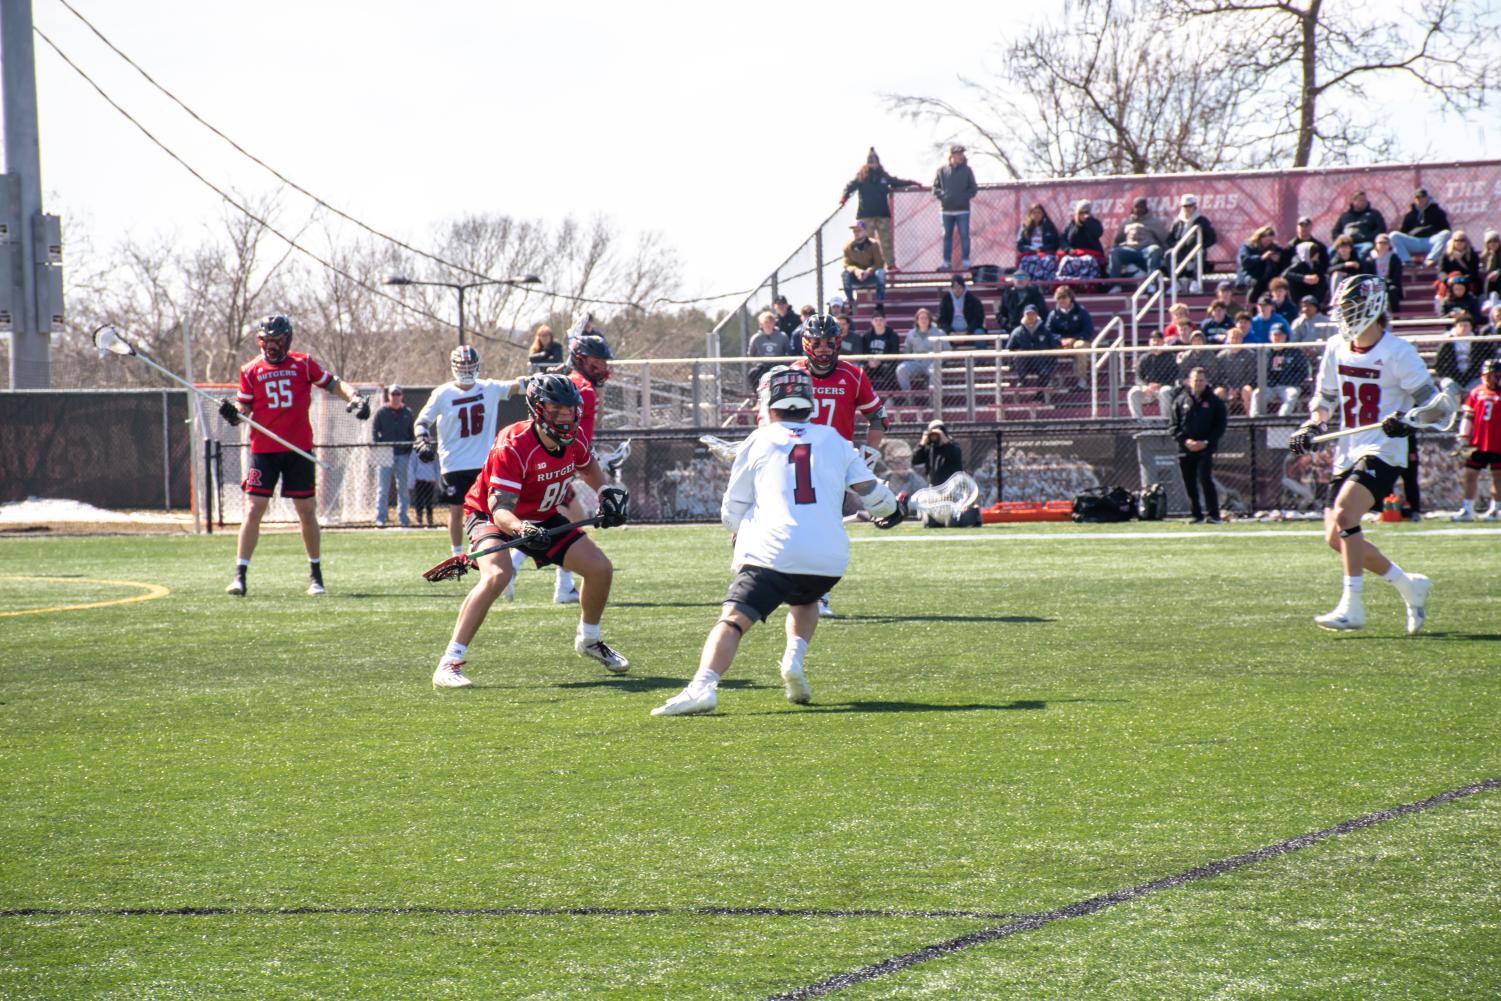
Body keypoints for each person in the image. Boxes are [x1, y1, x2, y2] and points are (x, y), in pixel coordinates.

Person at [651, 367, 902, 716]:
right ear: (810, 403)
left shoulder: (758, 440)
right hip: (828, 562)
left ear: (769, 403)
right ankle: (793, 660)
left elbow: (731, 509)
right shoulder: (835, 440)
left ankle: (702, 687)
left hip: (774, 554)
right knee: (806, 597)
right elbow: (875, 497)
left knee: (733, 621)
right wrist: (894, 508)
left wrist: (740, 541)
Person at [432, 374, 631, 689]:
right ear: (537, 409)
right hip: (490, 514)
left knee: (600, 569)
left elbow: (588, 466)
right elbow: (500, 510)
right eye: (556, 410)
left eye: (570, 410)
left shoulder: (574, 438)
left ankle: (589, 640)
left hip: (540, 515)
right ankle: (449, 663)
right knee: (497, 576)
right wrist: (521, 528)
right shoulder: (514, 444)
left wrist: (605, 492)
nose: (565, 417)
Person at [1288, 274, 1442, 633]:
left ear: (1372, 308)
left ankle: (1352, 607)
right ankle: (1408, 584)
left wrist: (1408, 420)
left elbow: (1435, 406)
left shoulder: (1398, 351)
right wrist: (1312, 425)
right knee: (1335, 536)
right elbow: (1324, 399)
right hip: (1349, 448)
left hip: (1384, 449)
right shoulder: (1336, 347)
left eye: (1350, 307)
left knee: (1345, 513)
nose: (1344, 315)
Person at [221, 314, 370, 597]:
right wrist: (233, 416)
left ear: (287, 340)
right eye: (267, 341)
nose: (271, 347)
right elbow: (243, 411)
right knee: (253, 508)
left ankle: (316, 576)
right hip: (263, 452)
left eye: (277, 341)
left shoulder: (303, 364)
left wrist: (355, 398)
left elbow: (333, 382)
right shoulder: (250, 370)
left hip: (298, 450)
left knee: (306, 511)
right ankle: (239, 575)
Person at [792, 314, 890, 618]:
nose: (823, 349)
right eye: (817, 343)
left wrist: (869, 453)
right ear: (806, 343)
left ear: (838, 343)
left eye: (829, 343)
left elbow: (878, 417)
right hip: (797, 462)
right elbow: (768, 418)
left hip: (835, 463)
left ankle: (818, 595)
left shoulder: (854, 375)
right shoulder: (791, 374)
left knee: (825, 530)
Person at [414, 345, 525, 561]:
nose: (466, 369)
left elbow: (519, 385)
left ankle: (495, 551)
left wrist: (544, 377)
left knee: (494, 509)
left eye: (470, 365)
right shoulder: (443, 393)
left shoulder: (489, 387)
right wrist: (422, 439)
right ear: (454, 366)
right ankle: (457, 554)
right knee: (456, 511)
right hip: (454, 462)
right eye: (462, 365)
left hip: (484, 462)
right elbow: (422, 421)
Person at [545, 329, 616, 604]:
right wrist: (594, 460)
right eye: (597, 361)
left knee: (573, 519)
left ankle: (563, 587)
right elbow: (576, 439)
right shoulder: (582, 389)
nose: (604, 367)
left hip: (554, 462)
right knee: (550, 522)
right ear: (581, 359)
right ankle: (508, 571)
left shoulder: (571, 383)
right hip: (554, 466)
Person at [1170, 366, 1226, 522]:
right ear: (1189, 381)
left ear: (1206, 381)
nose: (1198, 383)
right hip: (1185, 448)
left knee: (1204, 478)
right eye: (1196, 380)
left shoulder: (1214, 401)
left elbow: (1220, 426)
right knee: (1189, 482)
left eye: (1201, 380)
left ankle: (1213, 515)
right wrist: (1185, 441)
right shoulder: (1180, 400)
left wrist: (1206, 442)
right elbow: (1173, 426)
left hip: (1205, 449)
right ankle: (1196, 515)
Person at [839, 147, 918, 257]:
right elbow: (850, 186)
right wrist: (844, 198)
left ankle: (890, 264)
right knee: (866, 241)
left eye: (875, 162)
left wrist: (912, 182)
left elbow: (896, 182)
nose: (874, 165)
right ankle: (867, 264)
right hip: (866, 214)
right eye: (871, 162)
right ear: (867, 163)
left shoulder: (883, 176)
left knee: (886, 241)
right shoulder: (862, 176)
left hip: (882, 214)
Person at [1451, 358, 1501, 521]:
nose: (1492, 379)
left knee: (1498, 476)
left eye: (1495, 375)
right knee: (1470, 474)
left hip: (1497, 442)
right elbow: (1468, 416)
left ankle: (1496, 509)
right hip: (1478, 441)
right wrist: (1463, 436)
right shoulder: (1476, 392)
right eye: (1489, 375)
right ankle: (1467, 509)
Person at [372, 384, 415, 528]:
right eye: (393, 394)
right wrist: (380, 446)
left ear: (402, 396)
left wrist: (408, 448)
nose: (395, 397)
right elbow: (374, 431)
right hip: (385, 453)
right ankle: (381, 518)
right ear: (388, 396)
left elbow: (412, 433)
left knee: (402, 488)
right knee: (382, 488)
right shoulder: (381, 412)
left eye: (398, 394)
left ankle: (403, 518)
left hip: (403, 454)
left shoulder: (407, 412)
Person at [933, 144, 978, 271]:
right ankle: (946, 262)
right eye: (958, 154)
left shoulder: (967, 170)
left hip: (962, 209)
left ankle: (966, 262)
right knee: (947, 236)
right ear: (952, 155)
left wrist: (964, 197)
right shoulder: (942, 170)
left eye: (962, 154)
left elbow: (973, 188)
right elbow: (935, 188)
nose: (961, 156)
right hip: (946, 210)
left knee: (964, 235)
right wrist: (943, 196)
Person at [1108, 196, 1169, 287]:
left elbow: (1164, 239)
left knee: (1155, 249)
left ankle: (1151, 283)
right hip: (1131, 251)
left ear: (1146, 208)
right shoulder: (1126, 223)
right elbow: (1117, 241)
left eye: (1142, 207)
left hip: (1146, 250)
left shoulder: (1154, 222)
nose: (1139, 209)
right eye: (1137, 207)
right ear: (1133, 208)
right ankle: (1114, 285)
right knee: (1115, 252)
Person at [1252, 327, 1309, 417]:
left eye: (1280, 335)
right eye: (1275, 335)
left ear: (1285, 336)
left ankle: (1282, 418)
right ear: (1270, 337)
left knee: (1292, 394)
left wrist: (1291, 382)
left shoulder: (1294, 351)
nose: (1277, 337)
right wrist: (1269, 383)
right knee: (1257, 393)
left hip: (1288, 386)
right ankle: (1255, 420)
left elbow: (1303, 371)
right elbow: (1257, 372)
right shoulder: (1265, 352)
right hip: (1270, 387)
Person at [1387, 187, 1452, 266]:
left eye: (1422, 197)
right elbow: (1403, 232)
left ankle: (1430, 259)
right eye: (1418, 197)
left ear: (1427, 198)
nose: (1420, 199)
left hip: (1430, 241)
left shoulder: (1437, 212)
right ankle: (1407, 261)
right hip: (1414, 242)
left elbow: (1446, 229)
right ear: (1414, 199)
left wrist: (1431, 230)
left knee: (1446, 233)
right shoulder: (1410, 214)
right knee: (1394, 235)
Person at [1166, 194, 1217, 291]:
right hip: (1181, 251)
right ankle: (1175, 283)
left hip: (1195, 250)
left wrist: (1201, 246)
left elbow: (1212, 238)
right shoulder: (1177, 222)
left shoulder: (1202, 221)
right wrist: (1176, 245)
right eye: (1185, 206)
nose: (1187, 208)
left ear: (1195, 206)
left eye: (1190, 206)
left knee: (1201, 252)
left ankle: (1195, 282)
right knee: (1168, 254)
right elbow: (1169, 239)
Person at [1434, 311, 1494, 389]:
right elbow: (1439, 363)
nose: (1463, 328)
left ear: (1471, 327)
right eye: (1460, 325)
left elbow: (1481, 362)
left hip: (1472, 378)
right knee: (1447, 386)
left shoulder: (1477, 342)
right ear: (1455, 327)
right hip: (1451, 377)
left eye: (1466, 325)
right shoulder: (1447, 342)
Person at [1127, 331, 1179, 420]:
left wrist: (1160, 385)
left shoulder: (1170, 357)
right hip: (1148, 390)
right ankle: (1137, 421)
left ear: (1163, 342)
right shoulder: (1144, 358)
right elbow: (1138, 377)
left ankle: (1165, 421)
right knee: (1133, 392)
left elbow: (1174, 377)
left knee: (1165, 391)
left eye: (1158, 340)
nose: (1155, 343)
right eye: (1153, 340)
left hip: (1163, 388)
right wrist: (1144, 386)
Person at [1006, 303, 1059, 386]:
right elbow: (1010, 348)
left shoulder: (1045, 331)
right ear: (1024, 315)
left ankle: (1040, 394)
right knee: (1018, 356)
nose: (1030, 316)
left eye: (1033, 314)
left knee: (1044, 371)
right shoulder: (1017, 332)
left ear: (1037, 315)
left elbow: (1053, 346)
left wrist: (1050, 360)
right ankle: (1022, 380)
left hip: (1041, 361)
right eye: (1028, 314)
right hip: (1025, 362)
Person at [1212, 323, 1258, 414]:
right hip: (1227, 387)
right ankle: (1221, 419)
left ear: (1241, 339)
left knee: (1247, 390)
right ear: (1228, 339)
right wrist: (1229, 388)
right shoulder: (1221, 356)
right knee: (1218, 392)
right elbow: (1219, 375)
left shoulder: (1250, 355)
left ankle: (1250, 420)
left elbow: (1251, 375)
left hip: (1244, 386)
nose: (1235, 340)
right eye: (1232, 337)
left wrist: (1238, 388)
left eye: (1237, 337)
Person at [1058, 199, 1106, 282]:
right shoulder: (1072, 224)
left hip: (1091, 255)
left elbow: (1098, 233)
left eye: (1086, 212)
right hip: (1074, 254)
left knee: (1088, 261)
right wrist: (1068, 249)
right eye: (1081, 212)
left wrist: (1088, 221)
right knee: (1065, 261)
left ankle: (1089, 286)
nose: (1084, 214)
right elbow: (1063, 239)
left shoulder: (1093, 222)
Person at [1330, 190, 1387, 259]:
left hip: (1364, 243)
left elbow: (1381, 229)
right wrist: (1342, 239)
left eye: (1364, 200)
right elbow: (1335, 231)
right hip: (1346, 243)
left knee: (1367, 249)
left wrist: (1367, 237)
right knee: (1331, 251)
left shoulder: (1374, 214)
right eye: (1360, 200)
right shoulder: (1345, 216)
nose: (1363, 202)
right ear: (1353, 202)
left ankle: (1359, 267)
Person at [1237, 226, 1287, 303]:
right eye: (1266, 240)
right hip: (1252, 276)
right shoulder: (1248, 247)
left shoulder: (1275, 248)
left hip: (1268, 278)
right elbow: (1245, 262)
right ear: (1260, 238)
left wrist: (1278, 260)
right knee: (1255, 286)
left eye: (1270, 241)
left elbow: (1285, 263)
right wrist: (1261, 258)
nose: (1268, 243)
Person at [896, 307, 941, 393]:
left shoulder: (938, 332)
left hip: (931, 362)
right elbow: (906, 351)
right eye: (921, 318)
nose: (923, 320)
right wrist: (911, 357)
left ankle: (933, 400)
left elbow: (947, 350)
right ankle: (908, 398)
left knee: (935, 369)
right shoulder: (911, 334)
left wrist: (938, 359)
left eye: (926, 318)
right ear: (917, 320)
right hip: (916, 362)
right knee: (901, 369)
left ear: (930, 320)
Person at [938, 274, 989, 349]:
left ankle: (981, 359)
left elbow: (978, 319)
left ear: (964, 287)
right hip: (951, 332)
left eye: (960, 287)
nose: (957, 289)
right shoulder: (946, 300)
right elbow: (942, 320)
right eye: (955, 287)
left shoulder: (973, 300)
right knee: (940, 334)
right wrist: (950, 332)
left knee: (979, 333)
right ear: (951, 288)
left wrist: (967, 332)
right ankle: (943, 359)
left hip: (970, 330)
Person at [841, 220, 886, 304]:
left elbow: (879, 263)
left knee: (880, 272)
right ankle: (850, 301)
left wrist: (868, 272)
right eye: (854, 231)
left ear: (864, 231)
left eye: (859, 230)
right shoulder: (848, 246)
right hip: (856, 277)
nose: (856, 233)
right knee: (845, 274)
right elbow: (846, 264)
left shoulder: (873, 244)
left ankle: (880, 301)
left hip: (871, 277)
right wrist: (856, 270)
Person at [1015, 202, 1060, 283]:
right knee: (1024, 262)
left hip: (1045, 253)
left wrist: (1042, 249)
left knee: (1048, 262)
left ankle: (1044, 285)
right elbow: (1020, 244)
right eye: (1034, 212)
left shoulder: (1049, 226)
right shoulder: (1025, 226)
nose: (1036, 215)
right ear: (1030, 214)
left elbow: (1055, 243)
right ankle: (1023, 284)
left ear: (1043, 214)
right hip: (1029, 253)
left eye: (1039, 212)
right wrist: (1030, 249)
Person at [747, 310, 792, 389]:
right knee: (753, 373)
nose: (768, 325)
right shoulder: (756, 338)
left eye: (770, 322)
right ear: (761, 324)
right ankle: (757, 394)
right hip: (762, 367)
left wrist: (784, 363)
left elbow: (789, 353)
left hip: (779, 366)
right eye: (765, 322)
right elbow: (751, 355)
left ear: (774, 323)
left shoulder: (782, 336)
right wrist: (759, 363)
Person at [911, 419, 964, 486]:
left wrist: (944, 440)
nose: (935, 436)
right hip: (934, 488)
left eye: (937, 433)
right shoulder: (930, 448)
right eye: (932, 434)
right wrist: (922, 444)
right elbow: (915, 460)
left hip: (952, 487)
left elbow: (955, 455)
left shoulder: (952, 445)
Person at [1364, 234, 1405, 314]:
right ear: (1376, 244)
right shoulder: (1369, 259)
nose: (1382, 245)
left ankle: (1396, 317)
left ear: (1389, 244)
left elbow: (1396, 277)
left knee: (1393, 290)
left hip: (1389, 284)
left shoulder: (1394, 258)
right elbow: (1367, 276)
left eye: (1385, 243)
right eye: (1380, 243)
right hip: (1374, 284)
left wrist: (1385, 283)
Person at [995, 270, 1046, 335]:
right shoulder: (1007, 294)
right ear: (1013, 280)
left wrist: (1035, 325)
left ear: (1028, 280)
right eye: (1017, 278)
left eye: (1022, 278)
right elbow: (1001, 314)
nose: (1020, 280)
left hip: (1033, 328)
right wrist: (1008, 325)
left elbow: (1043, 312)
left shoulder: (1035, 294)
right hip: (1011, 329)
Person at [861, 308, 901, 392]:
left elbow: (894, 354)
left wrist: (880, 361)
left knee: (888, 369)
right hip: (871, 364)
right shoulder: (866, 336)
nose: (878, 322)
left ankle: (889, 397)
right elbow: (863, 353)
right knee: (862, 371)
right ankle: (866, 397)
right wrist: (869, 362)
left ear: (885, 321)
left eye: (881, 320)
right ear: (872, 322)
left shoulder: (893, 336)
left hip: (887, 363)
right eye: (876, 320)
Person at [1282, 242, 1329, 307]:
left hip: (1312, 292)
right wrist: (1303, 278)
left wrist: (1317, 278)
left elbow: (1322, 274)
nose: (1317, 254)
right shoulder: (1298, 264)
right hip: (1300, 293)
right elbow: (1285, 274)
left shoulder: (1316, 264)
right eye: (1314, 252)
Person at [1326, 235, 1364, 303]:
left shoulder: (1355, 258)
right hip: (1340, 285)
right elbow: (1329, 270)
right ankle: (1335, 301)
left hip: (1353, 283)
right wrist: (1344, 265)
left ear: (1350, 248)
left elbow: (1360, 271)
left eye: (1346, 247)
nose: (1344, 249)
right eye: (1341, 247)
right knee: (1336, 275)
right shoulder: (1336, 259)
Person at [411, 445, 438, 528]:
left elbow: (436, 466)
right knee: (419, 501)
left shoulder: (432, 450)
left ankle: (430, 520)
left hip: (430, 480)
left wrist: (435, 478)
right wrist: (412, 481)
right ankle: (419, 520)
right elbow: (412, 467)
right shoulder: (414, 451)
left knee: (429, 502)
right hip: (419, 480)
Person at [1480, 230, 1501, 304]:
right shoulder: (1483, 256)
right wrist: (1492, 258)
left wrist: (1498, 272)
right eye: (1490, 241)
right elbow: (1484, 270)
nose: (1493, 244)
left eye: (1495, 241)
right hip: (1489, 281)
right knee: (1488, 279)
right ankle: (1488, 302)